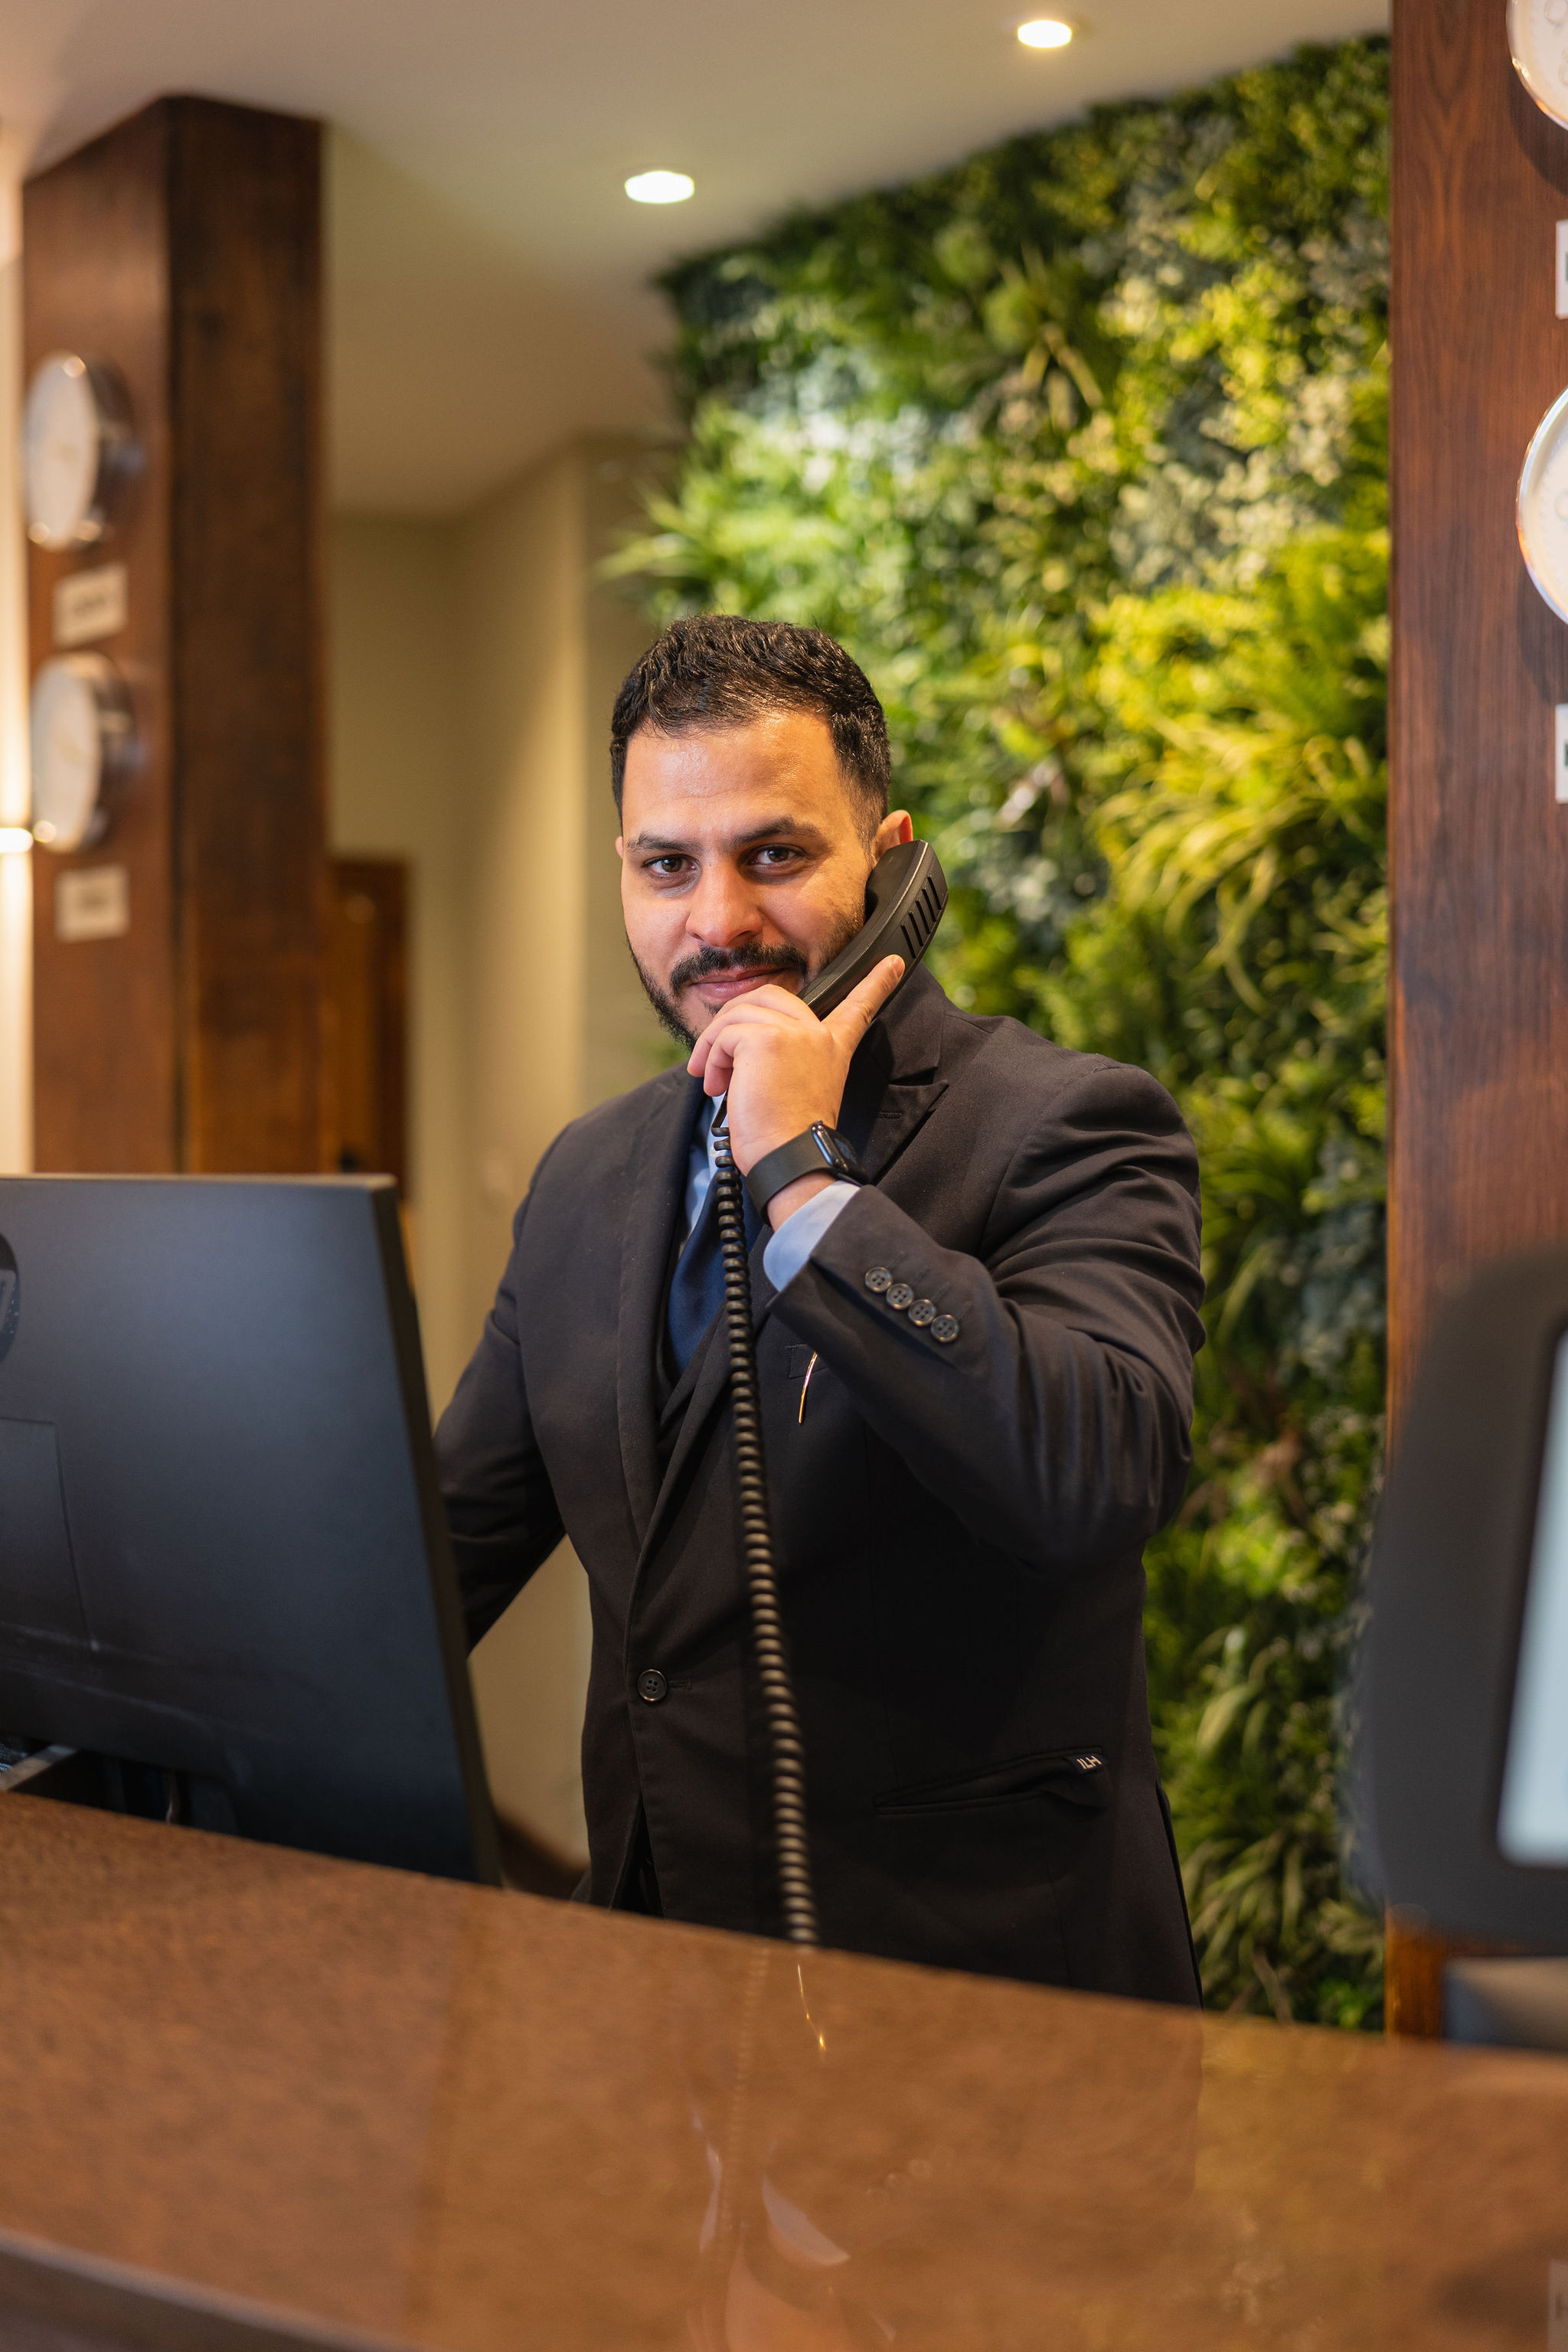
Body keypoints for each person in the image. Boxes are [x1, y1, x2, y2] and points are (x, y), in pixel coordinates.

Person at [436, 613, 1206, 2002]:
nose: (717, 921)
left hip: (983, 2003)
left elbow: (1097, 1474)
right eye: (667, 865)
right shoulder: (586, 1178)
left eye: (774, 855)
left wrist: (805, 1180)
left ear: (893, 856)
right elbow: (447, 1549)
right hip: (661, 1988)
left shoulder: (1070, 1126)